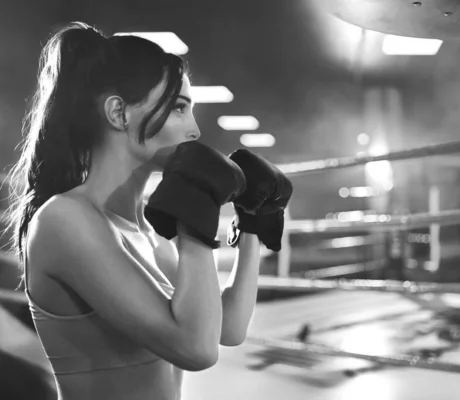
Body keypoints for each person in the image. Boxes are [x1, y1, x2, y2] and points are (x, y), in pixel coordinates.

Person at [2, 21, 292, 400]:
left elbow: (227, 329)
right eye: (178, 108)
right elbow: (196, 350)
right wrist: (193, 220)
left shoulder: (147, 233)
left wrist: (251, 221)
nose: (194, 131)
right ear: (119, 113)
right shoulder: (65, 219)